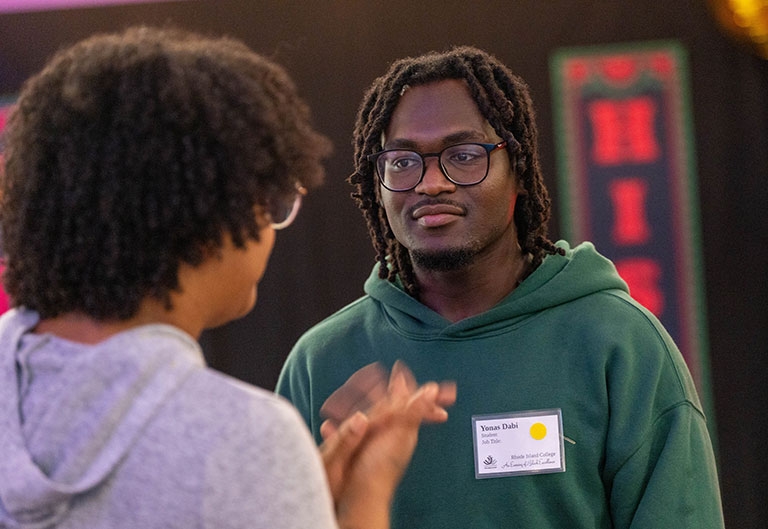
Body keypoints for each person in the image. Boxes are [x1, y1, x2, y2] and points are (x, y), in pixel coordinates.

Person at [0, 27, 455, 529]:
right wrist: (366, 494)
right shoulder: (244, 441)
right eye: (270, 201)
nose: (270, 226)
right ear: (203, 214)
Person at [276, 46, 725, 529]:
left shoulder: (619, 344)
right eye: (402, 162)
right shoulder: (320, 362)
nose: (430, 184)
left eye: (464, 156)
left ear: (519, 172)